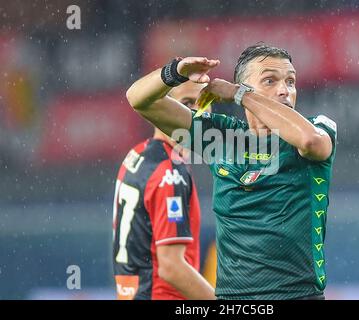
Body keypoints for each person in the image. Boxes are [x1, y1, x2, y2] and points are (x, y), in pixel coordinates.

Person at [125, 43, 337, 300]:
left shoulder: (318, 128)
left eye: (291, 82)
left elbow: (311, 142)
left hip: (297, 296)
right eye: (270, 80)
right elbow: (139, 100)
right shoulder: (222, 136)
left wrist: (240, 94)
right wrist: (175, 72)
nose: (285, 90)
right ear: (245, 85)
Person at [112, 81, 215, 300]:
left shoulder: (137, 155)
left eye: (204, 104)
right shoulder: (170, 172)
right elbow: (171, 268)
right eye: (186, 103)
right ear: (160, 109)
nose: (197, 114)